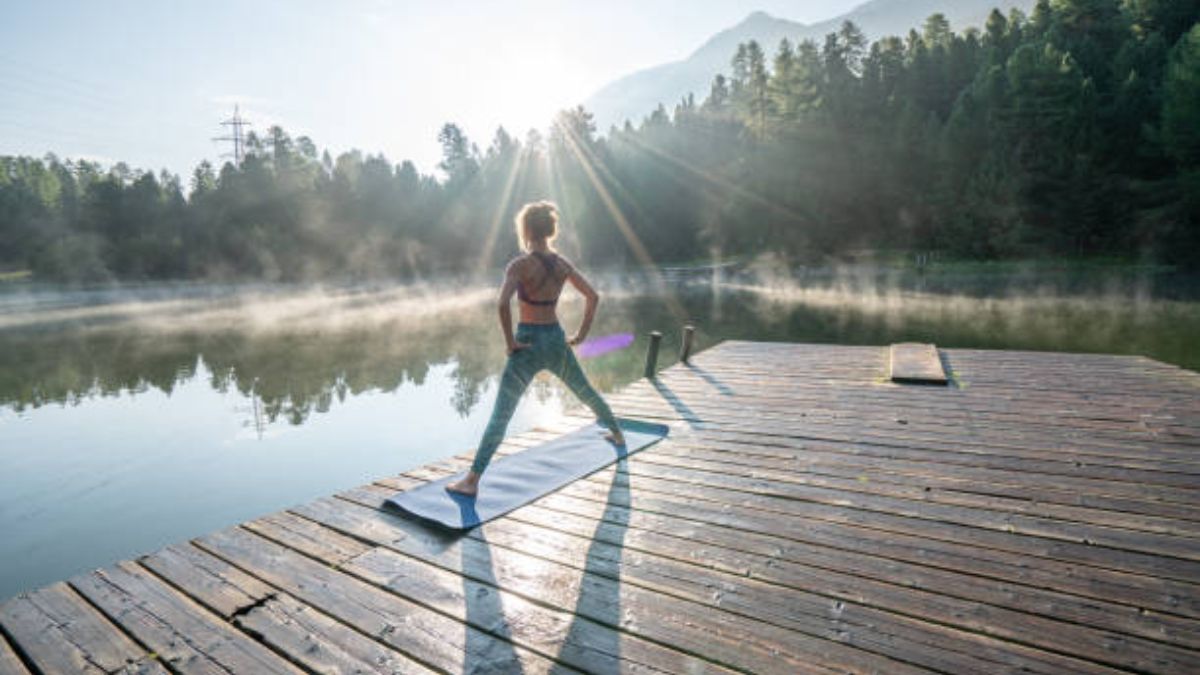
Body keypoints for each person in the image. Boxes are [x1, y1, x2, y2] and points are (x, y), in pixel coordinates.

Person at [446, 201, 625, 497]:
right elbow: (593, 296)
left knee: (501, 414)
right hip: (555, 339)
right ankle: (617, 434)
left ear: (527, 230)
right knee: (584, 390)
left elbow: (503, 304)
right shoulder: (563, 264)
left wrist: (510, 343)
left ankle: (472, 481)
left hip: (526, 343)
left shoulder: (519, 266)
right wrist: (581, 334)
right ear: (549, 230)